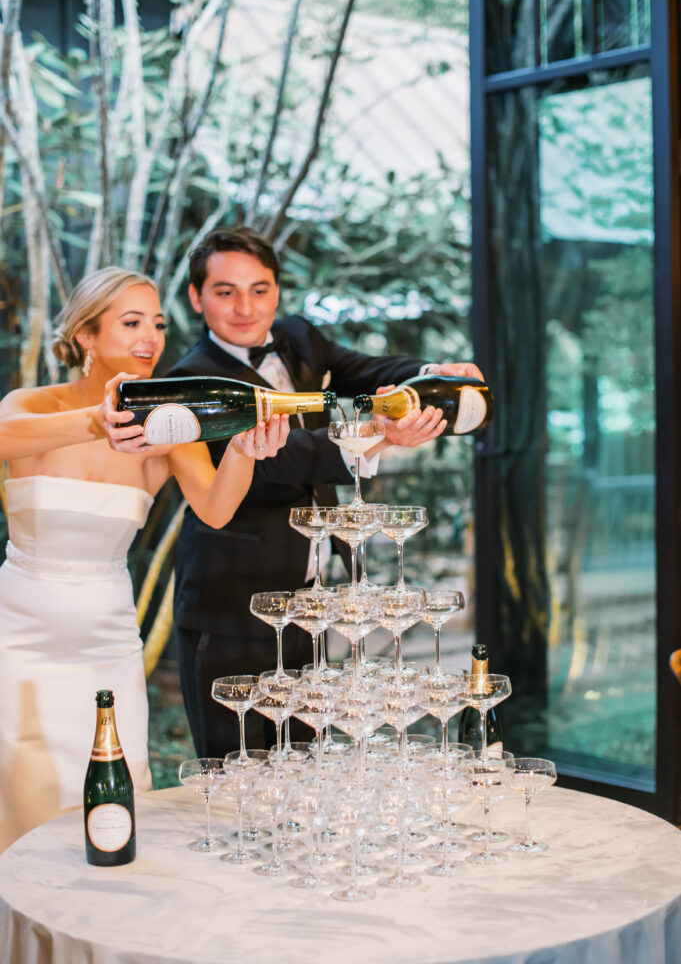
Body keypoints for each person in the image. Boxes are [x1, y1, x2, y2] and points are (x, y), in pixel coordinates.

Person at [0, 266, 288, 851]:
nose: (151, 338)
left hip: (108, 639)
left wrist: (241, 449)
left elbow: (215, 508)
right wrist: (93, 423)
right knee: (22, 801)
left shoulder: (165, 428)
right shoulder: (32, 406)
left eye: (157, 324)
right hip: (19, 639)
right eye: (132, 322)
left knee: (113, 802)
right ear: (86, 335)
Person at [168, 227, 484, 757]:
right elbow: (282, 457)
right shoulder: (194, 382)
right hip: (231, 609)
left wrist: (434, 375)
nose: (246, 307)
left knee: (308, 767)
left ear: (276, 292)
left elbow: (369, 371)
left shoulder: (298, 339)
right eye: (226, 291)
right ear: (197, 297)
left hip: (310, 604)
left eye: (259, 289)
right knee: (238, 772)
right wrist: (383, 434)